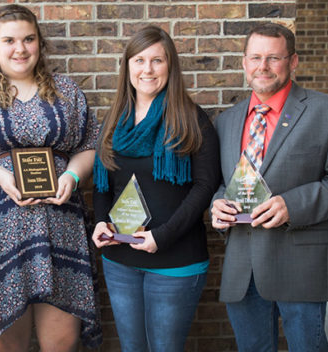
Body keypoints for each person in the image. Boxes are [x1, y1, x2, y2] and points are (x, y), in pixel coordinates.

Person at [0, 4, 101, 352]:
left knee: (62, 343)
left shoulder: (66, 91)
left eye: (28, 39)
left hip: (60, 233)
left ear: (39, 44)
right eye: (9, 40)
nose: (20, 48)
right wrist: (0, 176)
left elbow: (89, 146)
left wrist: (72, 174)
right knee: (8, 346)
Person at [210, 23, 328, 351]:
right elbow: (224, 182)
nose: (262, 67)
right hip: (243, 267)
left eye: (273, 58)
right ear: (243, 62)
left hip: (301, 264)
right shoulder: (226, 121)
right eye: (255, 57)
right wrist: (217, 203)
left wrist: (291, 205)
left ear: (293, 61)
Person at [91, 26, 222, 352]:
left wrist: (161, 237)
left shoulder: (191, 119)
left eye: (156, 61)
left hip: (175, 261)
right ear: (128, 67)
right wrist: (99, 222)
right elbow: (103, 182)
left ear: (170, 66)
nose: (147, 69)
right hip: (120, 258)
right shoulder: (115, 120)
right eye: (139, 60)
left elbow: (205, 187)